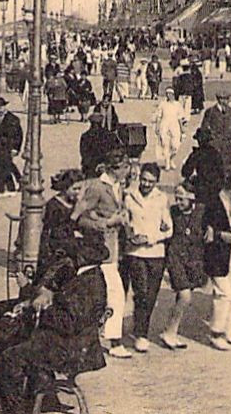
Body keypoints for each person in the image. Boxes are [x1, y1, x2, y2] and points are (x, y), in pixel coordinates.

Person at [0, 232, 109, 414]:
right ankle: (6, 407)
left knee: (11, 356)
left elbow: (68, 322)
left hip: (71, 349)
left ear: (82, 257)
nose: (69, 258)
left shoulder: (88, 283)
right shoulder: (86, 276)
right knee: (10, 343)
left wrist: (41, 307)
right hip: (69, 341)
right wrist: (35, 302)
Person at [70, 151, 134, 359]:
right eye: (127, 167)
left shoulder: (118, 186)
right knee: (114, 294)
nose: (129, 171)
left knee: (110, 294)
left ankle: (101, 338)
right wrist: (106, 223)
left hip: (114, 248)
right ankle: (114, 342)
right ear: (119, 168)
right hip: (99, 250)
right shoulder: (98, 187)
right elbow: (79, 217)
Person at [120, 162, 171, 353]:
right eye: (144, 180)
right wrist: (132, 235)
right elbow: (125, 220)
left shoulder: (161, 198)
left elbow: (168, 228)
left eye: (151, 181)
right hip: (135, 253)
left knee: (150, 296)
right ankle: (141, 334)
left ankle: (141, 327)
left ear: (157, 182)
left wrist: (150, 238)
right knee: (140, 292)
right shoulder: (129, 195)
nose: (146, 184)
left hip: (156, 252)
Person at [203, 167, 231, 351]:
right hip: (215, 255)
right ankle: (216, 331)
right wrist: (221, 234)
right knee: (225, 294)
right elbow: (206, 227)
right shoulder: (213, 203)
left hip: (230, 254)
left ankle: (229, 327)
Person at [158, 180, 207, 350]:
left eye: (182, 199)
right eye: (176, 198)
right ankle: (169, 332)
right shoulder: (172, 212)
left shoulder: (202, 212)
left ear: (191, 198)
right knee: (185, 296)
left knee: (182, 297)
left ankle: (171, 331)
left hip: (193, 260)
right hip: (175, 258)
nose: (178, 203)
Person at [40, 169, 84, 269]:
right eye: (75, 189)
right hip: (57, 248)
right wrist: (74, 216)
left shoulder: (76, 203)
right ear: (65, 188)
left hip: (74, 244)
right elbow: (56, 232)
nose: (78, 192)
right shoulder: (54, 205)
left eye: (80, 189)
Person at [0, 97, 22, 198]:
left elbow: (18, 135)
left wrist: (15, 148)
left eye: (0, 107)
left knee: (4, 167)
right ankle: (1, 187)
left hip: (8, 145)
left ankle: (3, 188)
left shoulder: (12, 119)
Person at [180, 128, 225, 203]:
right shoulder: (216, 153)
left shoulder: (197, 154)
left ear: (198, 140)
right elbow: (221, 173)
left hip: (201, 189)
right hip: (216, 190)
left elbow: (185, 172)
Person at [151, 88, 187, 170]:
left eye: (170, 94)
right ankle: (167, 162)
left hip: (175, 126)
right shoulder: (163, 104)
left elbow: (180, 118)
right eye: (167, 94)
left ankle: (171, 159)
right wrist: (157, 126)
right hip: (164, 125)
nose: (168, 95)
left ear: (173, 95)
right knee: (165, 144)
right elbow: (159, 117)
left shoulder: (177, 105)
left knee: (175, 145)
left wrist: (182, 129)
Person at [200, 92, 231, 165]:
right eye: (224, 99)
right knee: (215, 165)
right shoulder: (211, 111)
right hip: (216, 143)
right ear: (219, 99)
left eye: (227, 99)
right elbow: (204, 127)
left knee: (228, 163)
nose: (226, 101)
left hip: (228, 143)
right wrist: (211, 139)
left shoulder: (230, 110)